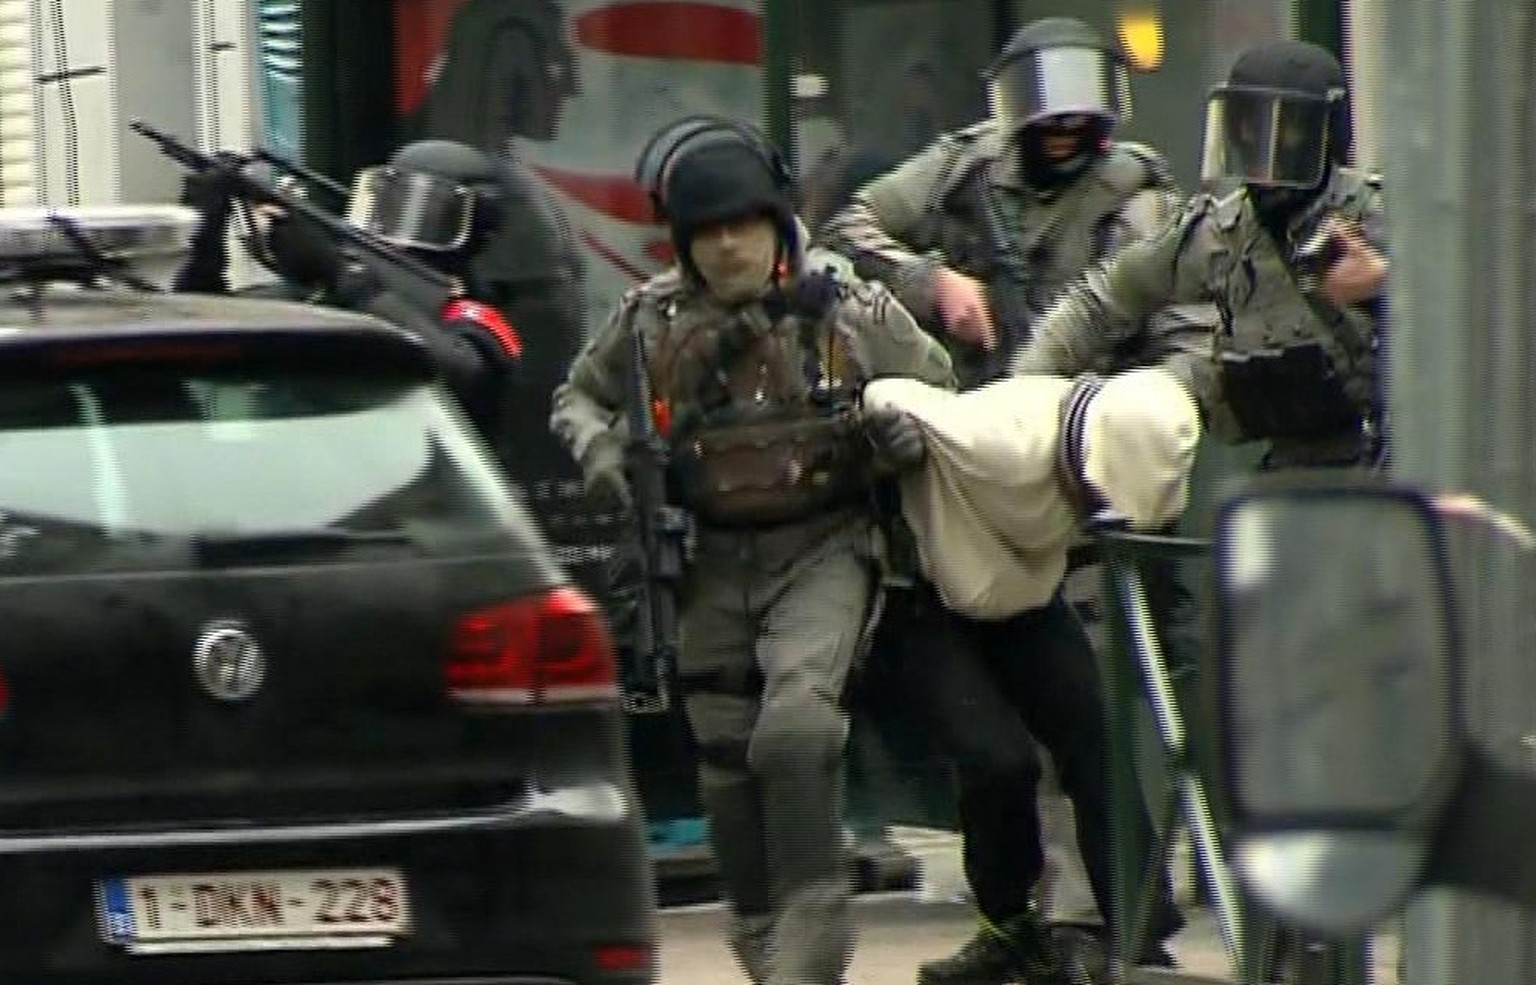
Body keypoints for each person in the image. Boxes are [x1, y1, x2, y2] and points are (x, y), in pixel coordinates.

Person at [822, 18, 1198, 981]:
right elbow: (849, 226)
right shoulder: (960, 173)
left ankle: (1113, 913)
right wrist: (932, 277)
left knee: (1100, 704)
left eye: (1083, 109)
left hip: (1088, 467)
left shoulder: (1136, 196)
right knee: (1023, 732)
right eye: (1048, 109)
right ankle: (1045, 920)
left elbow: (1155, 312)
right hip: (976, 474)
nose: (1065, 128)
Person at [550, 115, 954, 985]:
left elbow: (937, 386)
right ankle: (763, 934)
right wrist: (605, 458)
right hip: (707, 558)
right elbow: (578, 398)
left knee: (800, 730)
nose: (729, 247)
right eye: (708, 233)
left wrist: (891, 423)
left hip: (822, 545)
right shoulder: (649, 320)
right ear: (682, 242)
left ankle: (812, 943)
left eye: (745, 225)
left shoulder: (840, 303)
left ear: (777, 226)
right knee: (727, 759)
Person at [1011, 39, 1390, 474]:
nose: (1264, 153)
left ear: (1326, 134)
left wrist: (1383, 286)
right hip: (1287, 471)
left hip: (1384, 463)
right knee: (1140, 402)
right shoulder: (1219, 232)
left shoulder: (1375, 219)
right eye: (1249, 130)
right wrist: (1021, 398)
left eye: (1286, 133)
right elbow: (1100, 302)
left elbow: (1464, 320)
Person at [171, 140, 526, 466]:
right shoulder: (327, 299)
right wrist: (205, 236)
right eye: (393, 202)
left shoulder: (472, 317)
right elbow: (198, 336)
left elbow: (459, 373)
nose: (400, 226)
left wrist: (345, 280)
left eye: (427, 209)